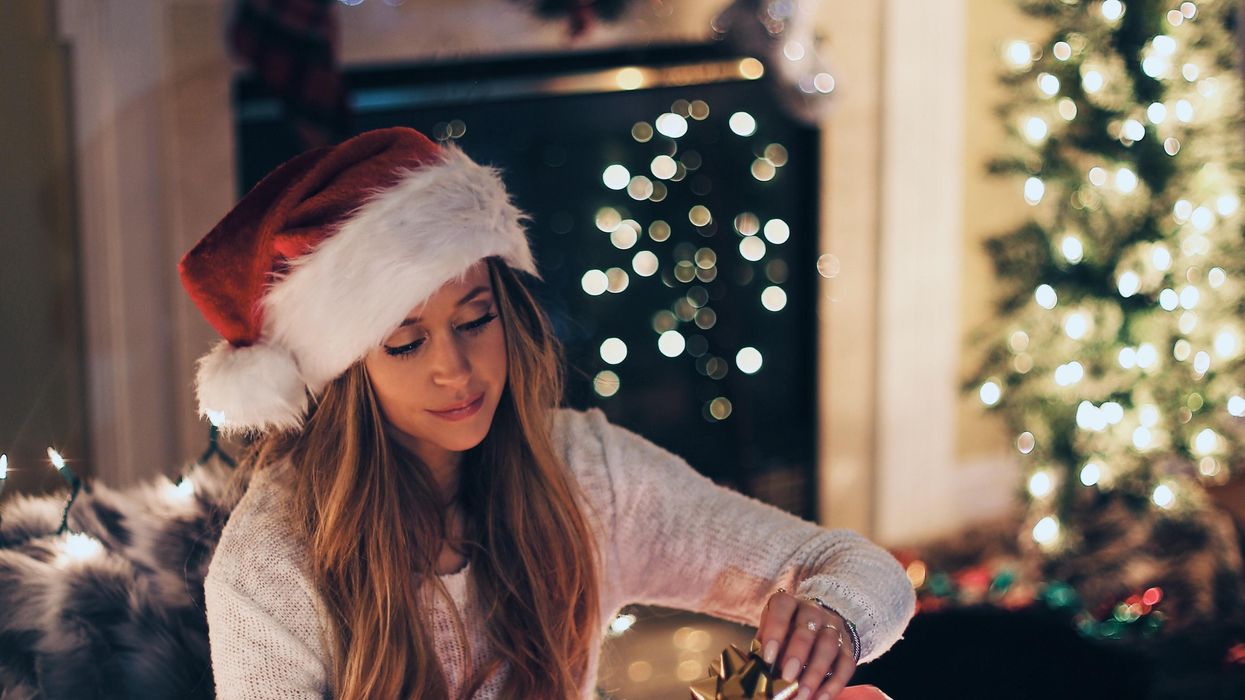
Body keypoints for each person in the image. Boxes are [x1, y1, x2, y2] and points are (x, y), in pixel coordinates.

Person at [185, 126, 914, 700]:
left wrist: (833, 617)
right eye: (405, 343)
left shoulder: (583, 472)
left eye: (475, 319)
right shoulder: (271, 563)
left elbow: (861, 569)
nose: (455, 369)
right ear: (344, 374)